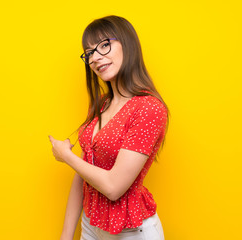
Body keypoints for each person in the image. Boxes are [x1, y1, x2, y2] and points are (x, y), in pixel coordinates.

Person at [49, 15, 169, 240]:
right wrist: (66, 236)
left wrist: (66, 156)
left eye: (105, 45)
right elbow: (84, 173)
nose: (95, 58)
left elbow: (114, 187)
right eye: (90, 52)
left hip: (130, 232)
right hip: (91, 225)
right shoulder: (102, 103)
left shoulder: (148, 108)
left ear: (128, 44)